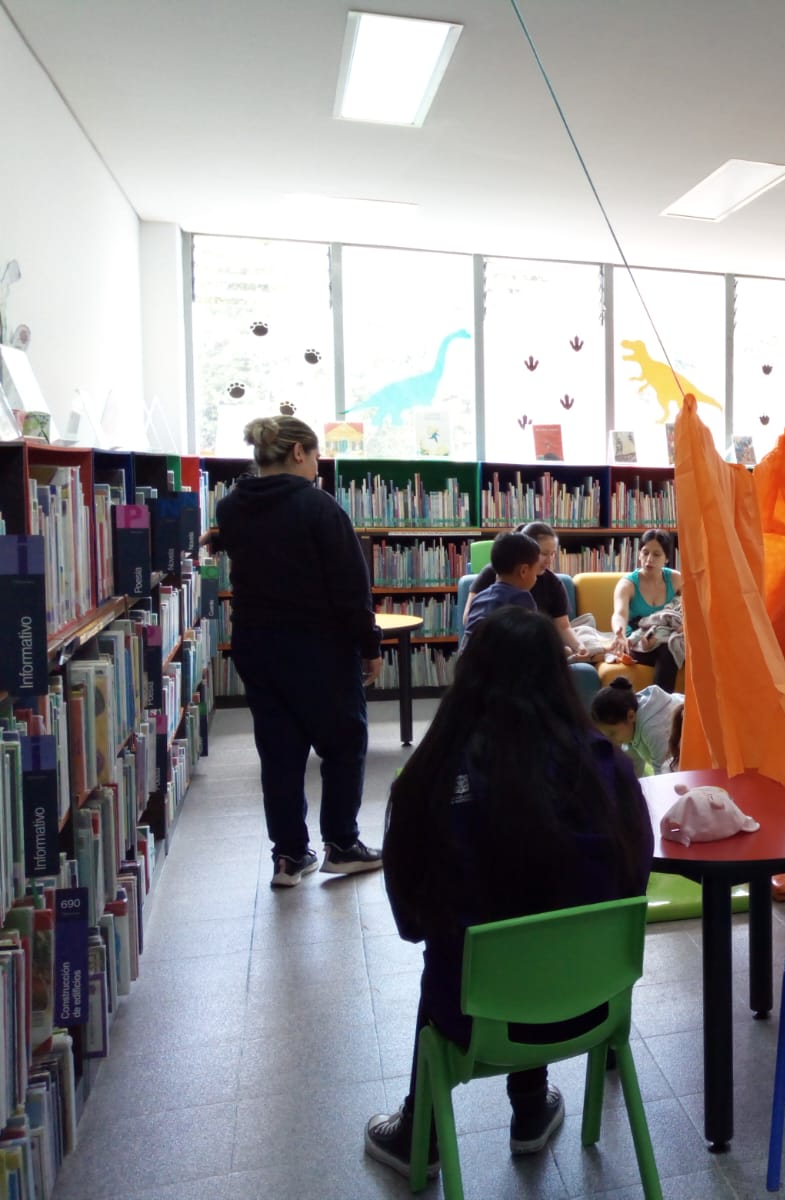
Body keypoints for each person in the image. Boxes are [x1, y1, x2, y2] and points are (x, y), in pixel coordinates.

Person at [364, 606, 652, 1179]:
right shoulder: (611, 768)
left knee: (468, 946)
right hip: (595, 1004)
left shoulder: (433, 777)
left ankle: (419, 1133)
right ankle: (529, 1108)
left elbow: (411, 920)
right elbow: (633, 882)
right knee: (547, 921)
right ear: (559, 674)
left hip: (472, 1019)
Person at [212, 415, 383, 888]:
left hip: (256, 646)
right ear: (298, 453)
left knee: (280, 752)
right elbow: (351, 588)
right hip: (319, 646)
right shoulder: (319, 508)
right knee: (343, 743)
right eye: (316, 458)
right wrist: (369, 645)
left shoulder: (230, 508)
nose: (317, 468)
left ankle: (288, 855)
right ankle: (342, 845)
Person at [466, 522, 602, 701]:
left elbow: (562, 626)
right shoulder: (513, 589)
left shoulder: (551, 583)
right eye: (544, 554)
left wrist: (577, 646)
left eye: (553, 554)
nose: (549, 560)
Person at [610, 529, 682, 692]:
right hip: (636, 639)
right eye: (645, 552)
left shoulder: (676, 579)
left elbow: (695, 608)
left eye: (657, 554)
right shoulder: (627, 584)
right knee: (669, 651)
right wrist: (619, 633)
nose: (649, 559)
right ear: (639, 554)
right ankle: (659, 706)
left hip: (666, 634)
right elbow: (620, 614)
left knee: (671, 646)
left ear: (667, 558)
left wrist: (685, 626)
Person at [459, 531, 540, 651]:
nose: (536, 577)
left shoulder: (479, 597)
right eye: (536, 571)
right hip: (500, 667)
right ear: (524, 571)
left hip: (467, 666)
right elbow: (531, 646)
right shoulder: (522, 599)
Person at [590, 677, 685, 775]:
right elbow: (632, 767)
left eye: (612, 733)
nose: (611, 741)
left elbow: (666, 774)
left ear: (630, 716)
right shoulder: (629, 728)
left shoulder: (653, 728)